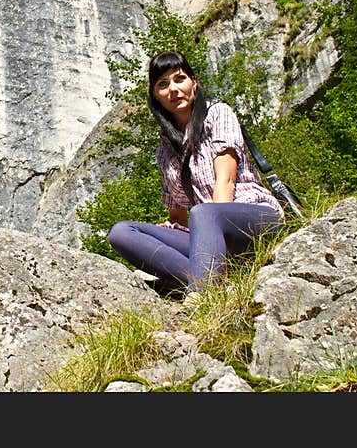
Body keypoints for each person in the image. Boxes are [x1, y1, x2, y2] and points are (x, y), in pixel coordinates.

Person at [107, 50, 285, 299]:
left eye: (179, 79)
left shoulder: (218, 114)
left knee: (203, 212)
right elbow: (177, 214)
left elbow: (227, 179)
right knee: (121, 233)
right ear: (155, 96)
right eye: (162, 84)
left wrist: (209, 223)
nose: (173, 89)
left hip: (254, 219)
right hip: (209, 233)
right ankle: (216, 279)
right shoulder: (165, 151)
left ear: (194, 82)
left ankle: (202, 294)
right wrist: (171, 228)